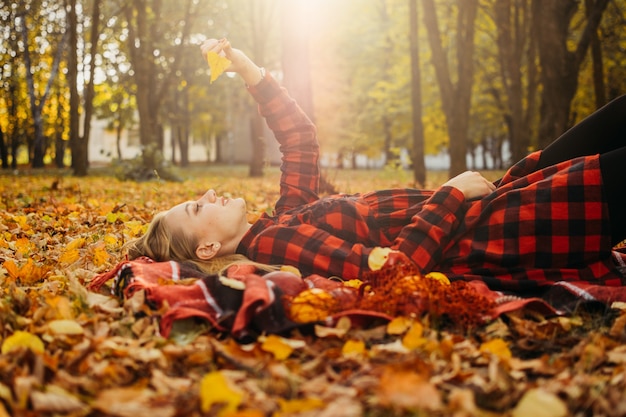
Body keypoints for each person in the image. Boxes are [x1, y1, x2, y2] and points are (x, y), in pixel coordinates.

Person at [126, 38, 626, 292]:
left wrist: (249, 69)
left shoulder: (279, 222)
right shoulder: (277, 244)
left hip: (505, 200)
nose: (209, 195)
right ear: (210, 246)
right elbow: (393, 276)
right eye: (196, 207)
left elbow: (299, 141)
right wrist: (449, 193)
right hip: (511, 226)